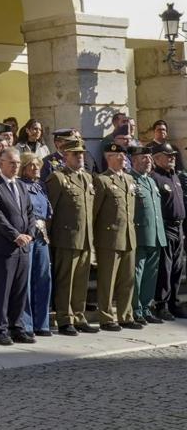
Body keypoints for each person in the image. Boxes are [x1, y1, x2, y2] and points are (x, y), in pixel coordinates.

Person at [44, 138, 98, 335]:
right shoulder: (58, 178)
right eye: (75, 154)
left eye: (81, 153)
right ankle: (65, 318)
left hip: (85, 238)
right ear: (65, 156)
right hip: (65, 238)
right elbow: (50, 212)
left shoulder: (88, 178)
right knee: (66, 280)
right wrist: (48, 238)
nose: (80, 157)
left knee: (81, 280)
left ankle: (78, 315)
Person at [0, 147, 36, 346]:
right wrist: (16, 236)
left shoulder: (22, 186)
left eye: (17, 163)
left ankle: (18, 327)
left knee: (20, 290)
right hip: (5, 248)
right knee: (3, 290)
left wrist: (29, 234)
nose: (15, 167)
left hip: (23, 247)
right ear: (1, 163)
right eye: (11, 163)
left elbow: (30, 212)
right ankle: (1, 329)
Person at [92, 142, 140, 331]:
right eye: (118, 156)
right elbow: (94, 213)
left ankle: (125, 315)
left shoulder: (129, 179)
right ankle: (106, 317)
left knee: (128, 279)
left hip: (128, 236)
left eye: (123, 155)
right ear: (108, 158)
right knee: (107, 281)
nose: (123, 158)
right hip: (109, 238)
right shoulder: (102, 180)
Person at [17, 152, 54, 337]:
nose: (35, 168)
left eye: (37, 164)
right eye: (30, 165)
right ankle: (27, 324)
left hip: (42, 236)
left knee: (43, 277)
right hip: (27, 234)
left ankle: (42, 322)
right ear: (23, 167)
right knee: (27, 280)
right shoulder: (20, 185)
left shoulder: (40, 186)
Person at [130, 146, 167, 325]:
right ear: (134, 160)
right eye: (144, 158)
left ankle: (146, 307)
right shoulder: (130, 180)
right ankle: (136, 309)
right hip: (140, 234)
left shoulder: (151, 181)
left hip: (156, 234)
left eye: (150, 158)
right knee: (137, 274)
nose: (148, 161)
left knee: (151, 274)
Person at [150, 142, 186, 321]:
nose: (172, 158)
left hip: (179, 228)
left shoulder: (176, 177)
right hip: (166, 227)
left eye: (173, 155)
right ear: (156, 158)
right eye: (168, 155)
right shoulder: (155, 177)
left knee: (178, 268)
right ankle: (161, 304)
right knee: (165, 268)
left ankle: (174, 302)